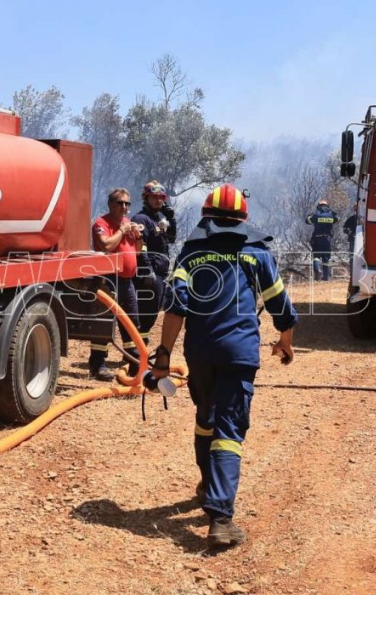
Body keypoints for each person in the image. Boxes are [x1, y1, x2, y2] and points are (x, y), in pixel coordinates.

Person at [151, 183, 298, 549]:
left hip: (199, 352)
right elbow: (279, 303)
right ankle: (220, 518)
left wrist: (164, 356)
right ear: (243, 220)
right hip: (238, 353)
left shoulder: (191, 252)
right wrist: (286, 341)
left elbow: (174, 307)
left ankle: (206, 486)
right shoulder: (256, 253)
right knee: (229, 429)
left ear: (206, 218)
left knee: (206, 416)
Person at [89, 188, 143, 381]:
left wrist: (138, 236)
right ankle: (98, 365)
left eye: (127, 203)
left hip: (127, 281)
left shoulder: (128, 224)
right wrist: (121, 231)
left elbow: (137, 252)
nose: (125, 207)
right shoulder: (101, 223)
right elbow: (105, 245)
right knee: (105, 322)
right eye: (120, 203)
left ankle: (135, 362)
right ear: (111, 204)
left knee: (131, 322)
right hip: (108, 279)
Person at [131, 181, 177, 347]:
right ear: (146, 198)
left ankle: (141, 343)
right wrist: (147, 270)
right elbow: (140, 246)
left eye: (161, 198)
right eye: (154, 197)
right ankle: (137, 345)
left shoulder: (159, 218)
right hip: (149, 274)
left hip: (160, 273)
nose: (158, 201)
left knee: (153, 310)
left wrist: (171, 219)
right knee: (146, 311)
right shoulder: (140, 219)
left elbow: (171, 239)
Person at [306, 199, 339, 281]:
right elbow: (338, 219)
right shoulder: (331, 215)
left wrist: (310, 215)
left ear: (319, 206)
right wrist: (332, 212)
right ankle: (325, 277)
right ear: (327, 206)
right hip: (327, 239)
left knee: (316, 256)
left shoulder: (316, 215)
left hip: (317, 238)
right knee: (326, 258)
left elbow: (307, 221)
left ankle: (317, 269)